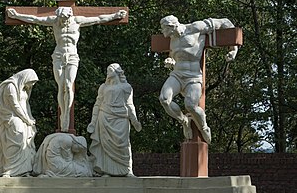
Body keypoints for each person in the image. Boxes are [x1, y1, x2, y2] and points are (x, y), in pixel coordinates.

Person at [7, 7, 127, 132]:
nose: (63, 22)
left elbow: (98, 19)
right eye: (61, 19)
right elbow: (34, 19)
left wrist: (115, 15)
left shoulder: (77, 21)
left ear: (69, 16)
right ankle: (62, 112)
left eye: (65, 19)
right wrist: (16, 15)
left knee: (69, 86)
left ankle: (66, 116)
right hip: (58, 55)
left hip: (72, 56)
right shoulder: (54, 21)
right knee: (61, 86)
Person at [158, 15, 238, 144]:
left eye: (164, 28)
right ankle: (184, 121)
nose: (162, 32)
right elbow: (174, 55)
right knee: (164, 100)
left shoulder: (195, 28)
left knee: (190, 105)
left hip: (193, 76)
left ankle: (204, 127)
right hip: (177, 74)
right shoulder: (172, 38)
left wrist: (234, 49)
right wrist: (170, 60)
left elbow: (225, 22)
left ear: (172, 26)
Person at [0, 69, 38, 177]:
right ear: (26, 77)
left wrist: (30, 118)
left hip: (24, 118)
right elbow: (15, 105)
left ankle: (23, 170)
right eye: (32, 81)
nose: (32, 84)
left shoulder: (24, 89)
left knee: (25, 143)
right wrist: (26, 119)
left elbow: (26, 105)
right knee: (16, 141)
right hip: (12, 117)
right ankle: (10, 170)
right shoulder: (10, 86)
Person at [87, 63, 142, 177]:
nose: (107, 72)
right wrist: (93, 122)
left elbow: (130, 104)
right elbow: (97, 104)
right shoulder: (103, 87)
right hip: (105, 116)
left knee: (124, 144)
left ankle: (128, 169)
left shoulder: (126, 87)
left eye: (110, 69)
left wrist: (135, 120)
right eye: (107, 70)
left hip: (121, 118)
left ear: (118, 71)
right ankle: (107, 170)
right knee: (105, 145)